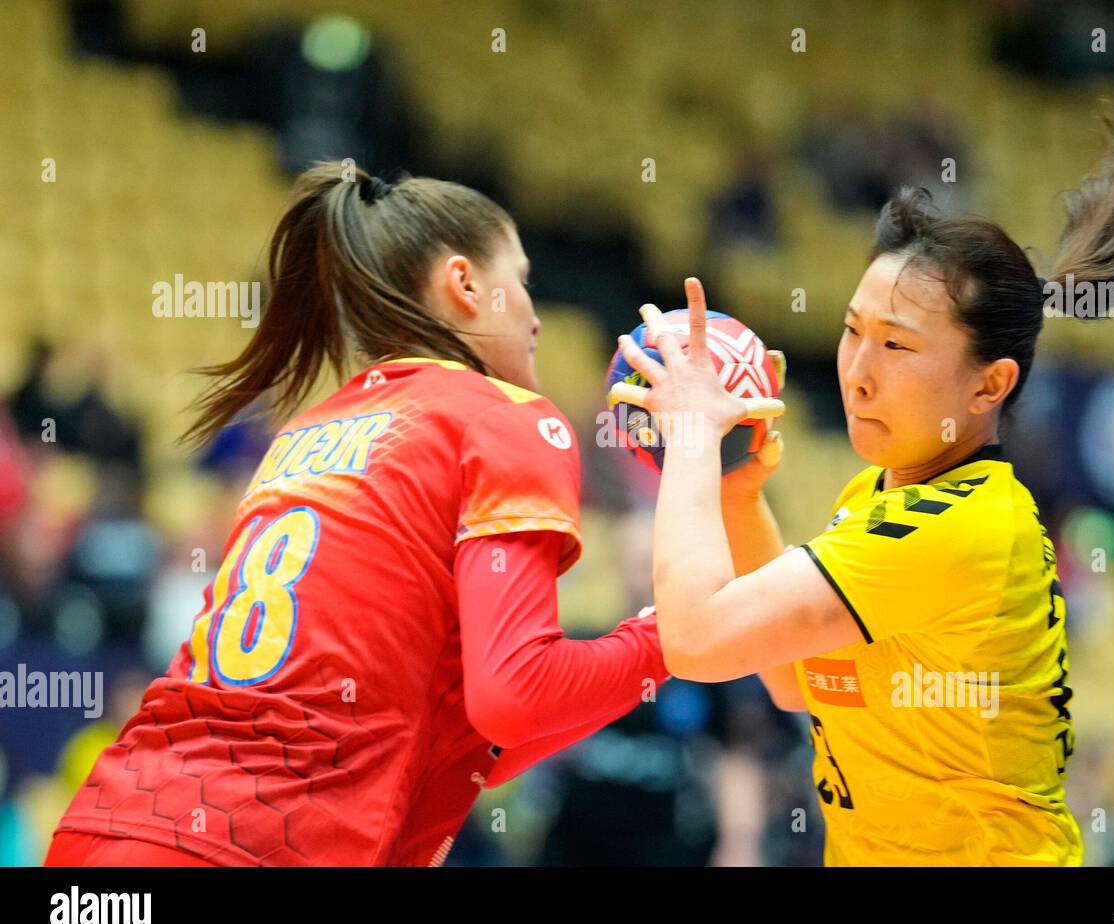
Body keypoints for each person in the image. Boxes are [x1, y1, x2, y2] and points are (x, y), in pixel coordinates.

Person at [46, 163, 669, 866]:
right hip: (264, 843)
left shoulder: (304, 434)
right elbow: (517, 693)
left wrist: (648, 658)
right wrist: (670, 637)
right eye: (521, 280)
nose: (535, 314)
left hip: (111, 828)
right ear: (464, 284)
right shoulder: (502, 418)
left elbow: (478, 744)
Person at [615, 108, 1114, 865]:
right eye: (853, 331)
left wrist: (690, 433)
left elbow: (694, 640)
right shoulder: (879, 498)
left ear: (990, 385)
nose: (858, 369)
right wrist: (737, 494)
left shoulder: (959, 526)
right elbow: (792, 681)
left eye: (896, 345)